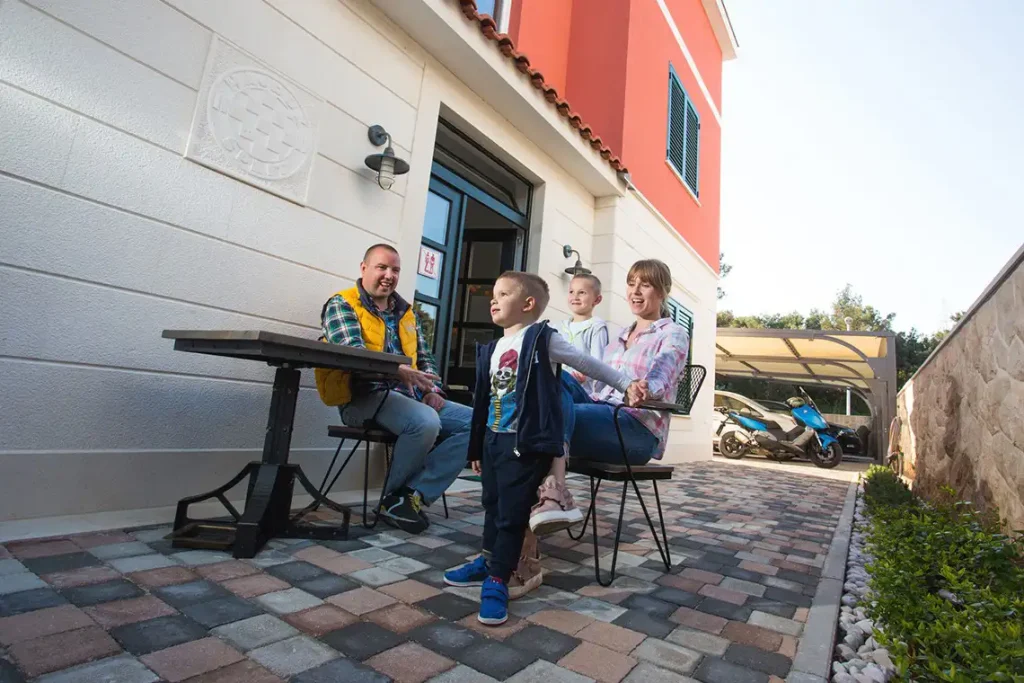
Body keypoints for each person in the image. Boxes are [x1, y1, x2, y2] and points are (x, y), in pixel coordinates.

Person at [443, 272, 646, 625]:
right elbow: (483, 403)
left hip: (524, 443)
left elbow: (586, 363)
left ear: (528, 304)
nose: (493, 300)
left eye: (503, 294)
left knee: (511, 513)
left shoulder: (541, 339)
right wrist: (476, 448)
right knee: (492, 503)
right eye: (493, 294)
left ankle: (498, 579)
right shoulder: (492, 348)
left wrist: (626, 383)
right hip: (492, 440)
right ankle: (488, 561)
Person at [316, 244, 471, 534]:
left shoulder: (406, 312)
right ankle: (396, 500)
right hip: (362, 398)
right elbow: (351, 355)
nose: (389, 275)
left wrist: (432, 390)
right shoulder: (343, 303)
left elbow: (425, 359)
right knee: (425, 421)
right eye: (382, 267)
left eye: (395, 270)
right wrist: (395, 371)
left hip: (413, 399)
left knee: (480, 424)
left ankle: (408, 496)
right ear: (364, 268)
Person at [562, 259, 691, 466]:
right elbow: (599, 387)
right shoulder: (620, 337)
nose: (635, 291)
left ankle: (553, 476)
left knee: (557, 414)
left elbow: (661, 377)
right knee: (556, 379)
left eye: (645, 285)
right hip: (600, 410)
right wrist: (582, 379)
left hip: (636, 428)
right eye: (631, 284)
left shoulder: (673, 334)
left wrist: (644, 389)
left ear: (662, 292)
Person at [557, 273, 612, 392]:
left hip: (581, 391)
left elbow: (598, 363)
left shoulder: (596, 327)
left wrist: (585, 375)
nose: (575, 296)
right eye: (571, 292)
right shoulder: (560, 327)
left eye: (581, 292)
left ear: (597, 299)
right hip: (557, 387)